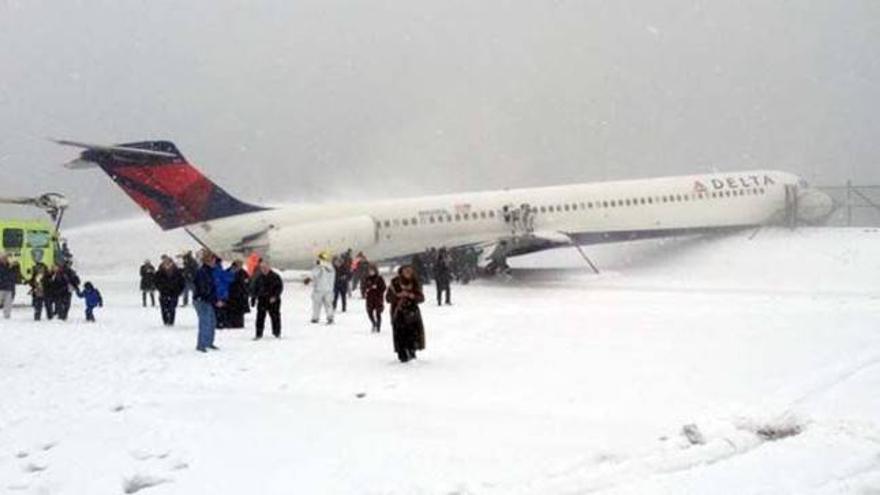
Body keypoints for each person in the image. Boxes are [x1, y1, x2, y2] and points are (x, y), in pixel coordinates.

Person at [386, 264, 426, 362]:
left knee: (412, 334)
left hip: (412, 313)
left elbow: (421, 298)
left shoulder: (415, 283)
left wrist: (413, 296)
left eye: (410, 271)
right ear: (401, 272)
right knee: (400, 334)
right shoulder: (394, 283)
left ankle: (412, 351)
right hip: (399, 312)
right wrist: (398, 296)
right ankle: (402, 354)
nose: (408, 273)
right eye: (406, 271)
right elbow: (388, 298)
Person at [192, 250, 220, 352]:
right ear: (208, 261)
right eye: (213, 261)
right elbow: (204, 289)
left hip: (208, 300)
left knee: (212, 322)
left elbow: (212, 288)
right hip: (202, 301)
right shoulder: (202, 272)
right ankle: (201, 345)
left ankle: (209, 342)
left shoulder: (209, 271)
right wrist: (214, 300)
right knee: (205, 322)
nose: (215, 263)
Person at [252, 260, 283, 339]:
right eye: (262, 268)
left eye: (265, 267)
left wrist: (275, 296)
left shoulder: (275, 276)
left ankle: (277, 332)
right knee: (260, 317)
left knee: (275, 317)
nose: (263, 269)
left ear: (269, 267)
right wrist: (253, 298)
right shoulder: (258, 277)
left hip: (273, 300)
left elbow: (279, 288)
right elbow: (255, 288)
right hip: (262, 299)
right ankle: (258, 334)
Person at [305, 252, 335, 324]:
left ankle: (315, 318)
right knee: (328, 304)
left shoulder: (319, 267)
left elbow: (314, 274)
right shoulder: (331, 268)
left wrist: (308, 279)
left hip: (319, 289)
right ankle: (330, 317)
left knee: (316, 305)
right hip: (329, 290)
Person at [154, 258, 185, 326]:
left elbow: (182, 282)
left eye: (169, 263)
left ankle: (171, 321)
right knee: (164, 308)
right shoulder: (159, 272)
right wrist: (161, 288)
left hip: (174, 293)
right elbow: (156, 282)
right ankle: (165, 321)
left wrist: (179, 291)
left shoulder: (177, 272)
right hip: (163, 293)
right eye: (166, 263)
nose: (167, 265)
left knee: (172, 307)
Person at [361, 263, 386, 333]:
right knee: (369, 312)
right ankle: (373, 323)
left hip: (378, 298)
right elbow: (363, 286)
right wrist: (365, 291)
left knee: (378, 313)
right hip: (369, 298)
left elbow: (384, 287)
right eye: (370, 271)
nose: (371, 272)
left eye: (372, 271)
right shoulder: (367, 278)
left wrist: (377, 288)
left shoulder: (379, 278)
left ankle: (378, 326)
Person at [226, 260, 250, 329]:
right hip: (231, 297)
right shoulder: (228, 272)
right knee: (231, 312)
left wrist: (246, 291)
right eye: (239, 265)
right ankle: (231, 324)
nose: (240, 267)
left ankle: (239, 325)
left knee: (239, 313)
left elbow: (248, 282)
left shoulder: (243, 272)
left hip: (241, 297)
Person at [212, 257, 234, 329]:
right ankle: (222, 322)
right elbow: (229, 279)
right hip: (224, 293)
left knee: (217, 310)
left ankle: (219, 323)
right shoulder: (221, 270)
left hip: (217, 294)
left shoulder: (214, 271)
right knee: (222, 310)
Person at [0, 254, 15, 319]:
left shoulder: (11, 266)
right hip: (0, 288)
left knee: (8, 304)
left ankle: (7, 316)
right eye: (3, 258)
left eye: (5, 258)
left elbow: (13, 277)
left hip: (9, 288)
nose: (4, 259)